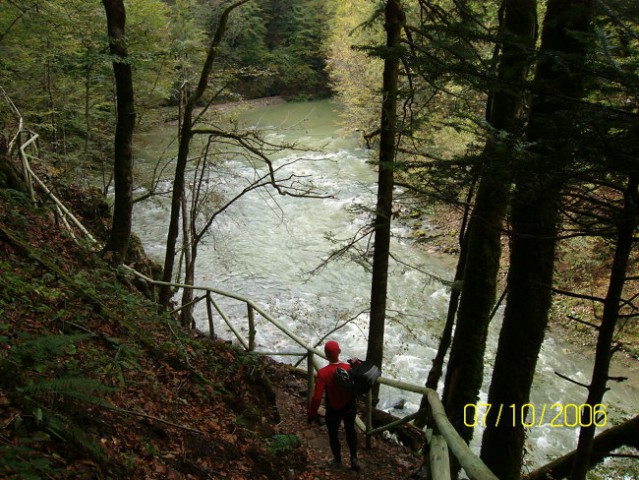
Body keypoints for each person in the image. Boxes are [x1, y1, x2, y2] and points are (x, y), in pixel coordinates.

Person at [307, 340, 361, 472]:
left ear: (326, 354)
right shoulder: (349, 368)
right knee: (350, 431)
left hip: (333, 408)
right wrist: (357, 363)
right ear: (339, 352)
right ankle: (354, 458)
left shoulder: (323, 373)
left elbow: (317, 397)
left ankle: (337, 460)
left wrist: (311, 413)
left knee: (333, 434)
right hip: (349, 406)